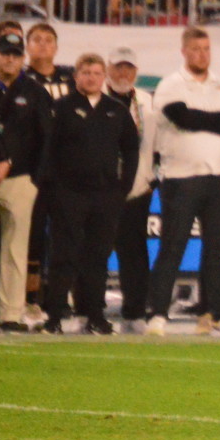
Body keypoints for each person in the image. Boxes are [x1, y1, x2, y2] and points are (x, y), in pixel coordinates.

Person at [146, 26, 220, 337]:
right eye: (195, 50)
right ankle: (158, 313)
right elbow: (181, 117)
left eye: (206, 49)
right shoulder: (170, 84)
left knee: (218, 250)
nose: (201, 55)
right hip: (181, 178)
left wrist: (202, 118)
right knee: (172, 247)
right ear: (184, 52)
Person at [38, 53, 138, 335]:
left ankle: (95, 315)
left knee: (98, 256)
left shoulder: (116, 109)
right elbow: (49, 151)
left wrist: (124, 186)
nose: (91, 77)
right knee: (62, 255)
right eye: (86, 72)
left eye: (96, 73)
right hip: (68, 194)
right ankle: (54, 316)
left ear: (103, 76)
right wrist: (53, 188)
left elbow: (131, 148)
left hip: (106, 196)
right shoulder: (62, 107)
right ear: (76, 76)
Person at [0, 32, 51, 333]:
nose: (11, 59)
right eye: (5, 53)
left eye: (16, 54)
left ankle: (11, 314)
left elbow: (46, 137)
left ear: (23, 58)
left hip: (20, 180)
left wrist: (36, 180)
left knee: (15, 250)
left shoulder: (35, 91)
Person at [104, 46, 157, 334]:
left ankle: (136, 309)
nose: (123, 73)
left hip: (137, 188)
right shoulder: (97, 99)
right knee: (94, 250)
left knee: (134, 252)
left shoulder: (147, 102)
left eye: (128, 68)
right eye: (118, 67)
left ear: (136, 72)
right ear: (108, 70)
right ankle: (88, 309)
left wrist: (153, 176)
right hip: (101, 188)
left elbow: (159, 144)